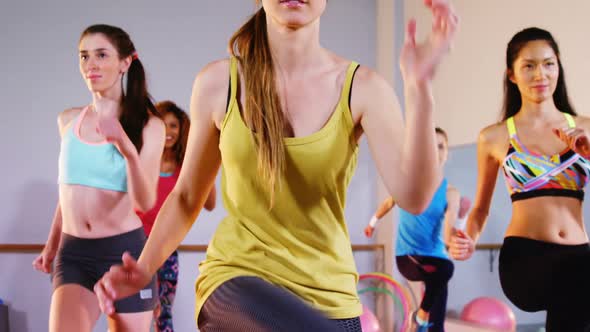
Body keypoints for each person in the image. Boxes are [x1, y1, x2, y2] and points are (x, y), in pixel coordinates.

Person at [94, 1, 459, 331]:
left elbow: (413, 196)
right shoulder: (219, 83)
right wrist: (143, 269)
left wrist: (418, 87)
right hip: (237, 282)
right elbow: (188, 195)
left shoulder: (363, 87)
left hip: (330, 300)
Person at [449, 27, 590, 331]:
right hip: (526, 261)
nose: (540, 74)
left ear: (558, 67)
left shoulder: (585, 128)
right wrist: (468, 239)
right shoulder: (494, 137)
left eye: (548, 64)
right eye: (529, 65)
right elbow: (481, 210)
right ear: (512, 75)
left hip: (578, 258)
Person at [32, 24, 165, 332]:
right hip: (73, 253)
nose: (90, 65)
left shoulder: (149, 126)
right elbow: (68, 195)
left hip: (122, 253)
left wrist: (126, 148)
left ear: (125, 62)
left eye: (101, 55)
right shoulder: (68, 121)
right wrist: (51, 246)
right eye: (84, 56)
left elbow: (145, 202)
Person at [365, 127, 470, 331]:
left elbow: (449, 238)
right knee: (444, 271)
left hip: (436, 259)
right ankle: (420, 317)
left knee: (437, 313)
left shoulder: (451, 193)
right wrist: (372, 223)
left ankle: (424, 324)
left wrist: (462, 218)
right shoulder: (408, 184)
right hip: (409, 257)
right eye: (431, 146)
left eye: (441, 147)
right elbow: (388, 204)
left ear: (447, 153)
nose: (436, 151)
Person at [136, 100, 217, 331]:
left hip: (167, 250)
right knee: (135, 311)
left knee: (163, 312)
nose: (169, 131)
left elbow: (210, 204)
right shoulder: (142, 161)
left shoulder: (185, 168)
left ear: (182, 131)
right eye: (164, 125)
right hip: (137, 248)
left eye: (174, 126)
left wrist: (205, 162)